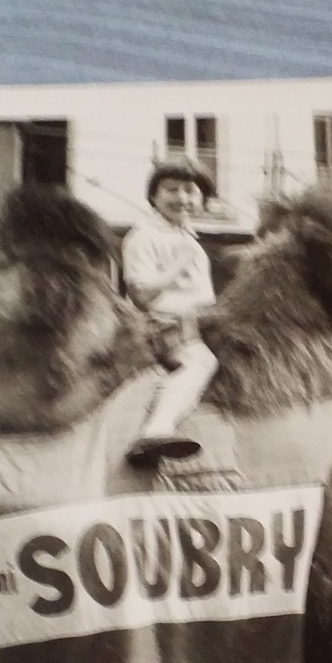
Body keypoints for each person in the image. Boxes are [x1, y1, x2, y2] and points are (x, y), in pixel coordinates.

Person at [121, 155, 220, 468]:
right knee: (201, 363)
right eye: (172, 190)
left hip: (191, 323)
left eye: (190, 191)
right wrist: (179, 262)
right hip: (162, 324)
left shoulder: (186, 238)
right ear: (154, 196)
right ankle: (157, 428)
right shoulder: (144, 235)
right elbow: (141, 294)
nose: (182, 198)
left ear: (202, 199)